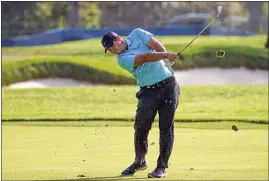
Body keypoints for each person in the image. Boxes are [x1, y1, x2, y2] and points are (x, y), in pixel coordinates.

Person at [101, 28, 180, 178]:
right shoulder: (122, 59)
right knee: (141, 127)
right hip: (148, 91)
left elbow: (156, 45)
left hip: (169, 86)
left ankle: (161, 167)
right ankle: (140, 161)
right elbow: (144, 58)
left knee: (166, 127)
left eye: (111, 47)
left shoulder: (137, 33)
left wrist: (167, 60)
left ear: (118, 39)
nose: (111, 51)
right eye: (108, 50)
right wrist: (165, 55)